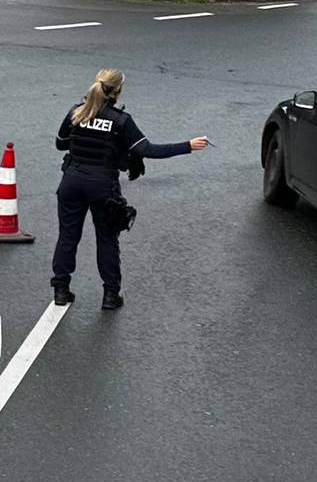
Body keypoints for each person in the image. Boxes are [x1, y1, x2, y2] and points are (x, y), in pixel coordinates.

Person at [50, 69, 209, 309]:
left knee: (68, 237)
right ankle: (110, 296)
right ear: (118, 90)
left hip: (71, 182)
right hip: (102, 186)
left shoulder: (77, 112)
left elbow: (60, 144)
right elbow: (147, 150)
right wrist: (188, 145)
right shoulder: (120, 120)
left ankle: (61, 291)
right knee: (107, 240)